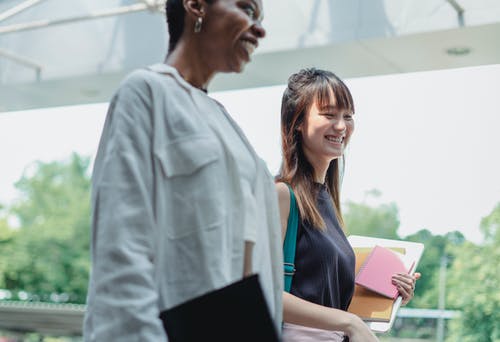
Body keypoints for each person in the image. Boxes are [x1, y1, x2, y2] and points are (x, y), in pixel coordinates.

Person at [83, 0, 283, 340]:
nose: (260, 29)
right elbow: (122, 252)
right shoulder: (147, 93)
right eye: (247, 9)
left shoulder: (225, 124)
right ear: (196, 5)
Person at [275, 68, 420, 342]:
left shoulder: (326, 202)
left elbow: (325, 296)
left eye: (348, 116)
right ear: (297, 122)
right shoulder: (283, 195)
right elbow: (262, 291)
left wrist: (387, 296)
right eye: (329, 115)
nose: (341, 126)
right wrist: (350, 322)